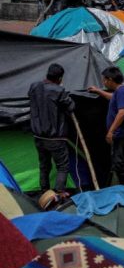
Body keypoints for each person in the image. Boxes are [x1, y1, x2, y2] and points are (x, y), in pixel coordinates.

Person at [28, 63, 75, 195]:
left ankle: (45, 192)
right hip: (55, 138)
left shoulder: (34, 86)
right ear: (60, 78)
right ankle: (59, 193)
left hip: (38, 136)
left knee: (44, 166)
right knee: (62, 166)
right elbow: (71, 107)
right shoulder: (59, 91)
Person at [88, 67, 124, 186]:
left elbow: (121, 113)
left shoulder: (122, 91)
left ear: (111, 79)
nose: (103, 82)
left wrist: (110, 131)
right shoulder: (119, 92)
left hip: (121, 135)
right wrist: (98, 91)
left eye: (104, 80)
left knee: (119, 164)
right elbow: (112, 98)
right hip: (121, 135)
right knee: (120, 163)